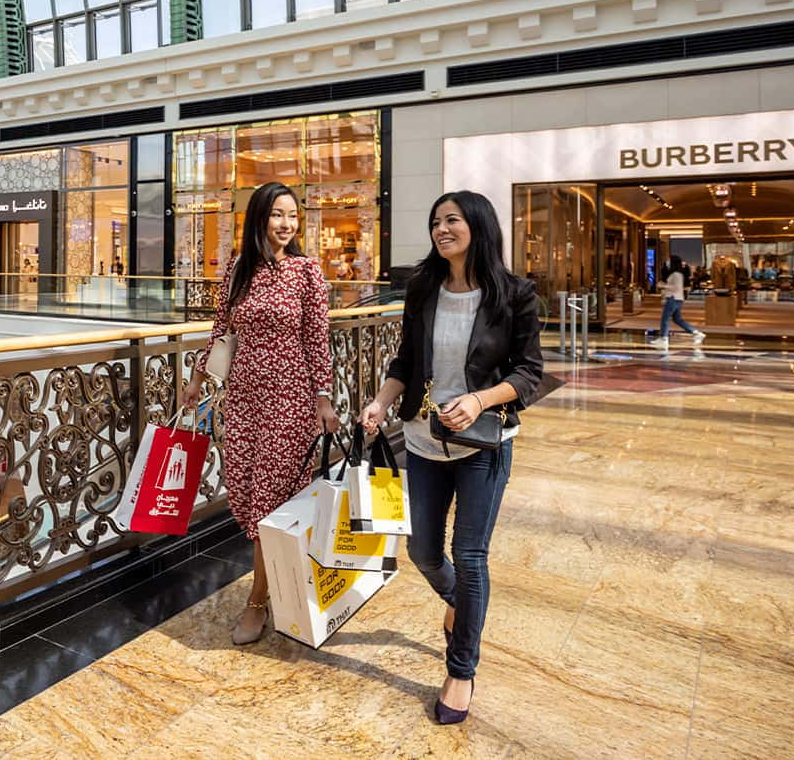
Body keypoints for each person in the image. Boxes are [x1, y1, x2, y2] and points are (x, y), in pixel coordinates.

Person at [358, 190, 544, 725]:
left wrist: (479, 399)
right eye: (436, 221)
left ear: (477, 226)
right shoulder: (423, 289)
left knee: (470, 556)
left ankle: (461, 670)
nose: (442, 229)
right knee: (421, 551)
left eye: (452, 220)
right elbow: (405, 360)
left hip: (485, 444)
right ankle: (463, 606)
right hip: (421, 441)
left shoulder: (514, 293)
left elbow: (529, 372)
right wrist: (380, 402)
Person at [181, 181, 337, 645]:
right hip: (243, 400)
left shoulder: (308, 272)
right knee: (249, 497)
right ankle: (284, 585)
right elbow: (221, 331)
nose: (286, 224)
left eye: (292, 215)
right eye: (277, 215)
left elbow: (317, 340)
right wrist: (196, 380)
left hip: (289, 404)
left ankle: (258, 601)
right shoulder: (237, 270)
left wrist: (323, 400)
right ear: (259, 219)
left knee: (270, 503)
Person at [653, 255, 706, 349]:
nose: (667, 262)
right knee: (677, 319)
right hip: (677, 298)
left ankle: (663, 338)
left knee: (665, 318)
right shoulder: (677, 274)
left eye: (669, 260)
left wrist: (663, 286)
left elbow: (676, 287)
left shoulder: (676, 274)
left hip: (673, 298)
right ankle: (696, 332)